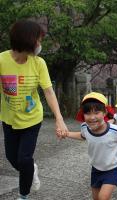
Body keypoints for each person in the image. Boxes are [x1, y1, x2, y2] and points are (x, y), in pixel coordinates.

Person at [0, 19, 68, 200]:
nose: (40, 44)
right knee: (12, 158)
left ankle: (23, 195)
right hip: (9, 120)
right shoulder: (1, 60)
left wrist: (59, 119)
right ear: (27, 40)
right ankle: (31, 169)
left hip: (32, 120)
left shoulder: (38, 63)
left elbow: (49, 91)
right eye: (38, 39)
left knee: (23, 159)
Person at [66, 92, 117, 200]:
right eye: (88, 113)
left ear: (105, 112)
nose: (92, 117)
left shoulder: (114, 130)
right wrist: (67, 134)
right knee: (96, 198)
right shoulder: (85, 127)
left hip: (113, 168)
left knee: (103, 197)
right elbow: (82, 135)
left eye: (97, 112)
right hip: (96, 168)